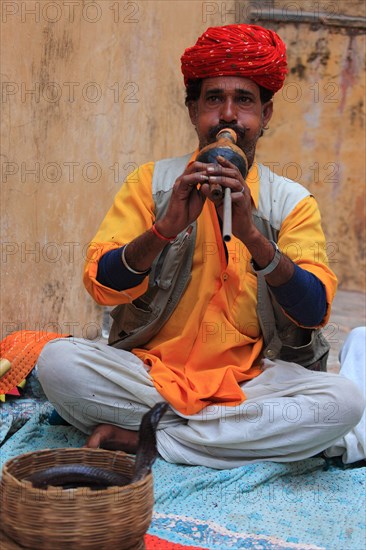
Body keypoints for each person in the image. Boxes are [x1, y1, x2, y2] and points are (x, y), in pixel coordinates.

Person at [38, 24, 365, 468]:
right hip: (149, 374)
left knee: (341, 401)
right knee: (57, 362)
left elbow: (313, 311)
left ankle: (151, 439)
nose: (228, 115)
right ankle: (222, 440)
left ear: (265, 115)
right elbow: (101, 284)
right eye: (214, 99)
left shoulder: (290, 202)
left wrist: (254, 236)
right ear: (194, 111)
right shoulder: (151, 184)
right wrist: (164, 228)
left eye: (244, 101)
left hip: (250, 383)